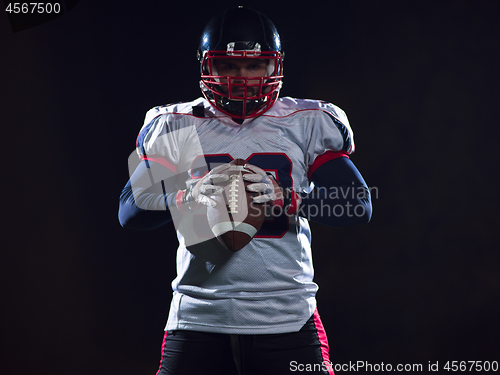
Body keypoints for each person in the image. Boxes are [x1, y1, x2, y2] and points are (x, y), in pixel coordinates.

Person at [119, 6, 372, 375]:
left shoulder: (303, 122)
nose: (242, 78)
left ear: (275, 66)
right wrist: (186, 196)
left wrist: (287, 199)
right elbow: (129, 211)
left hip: (286, 317)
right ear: (206, 66)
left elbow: (358, 205)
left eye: (254, 65)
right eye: (228, 66)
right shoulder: (177, 123)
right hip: (198, 316)